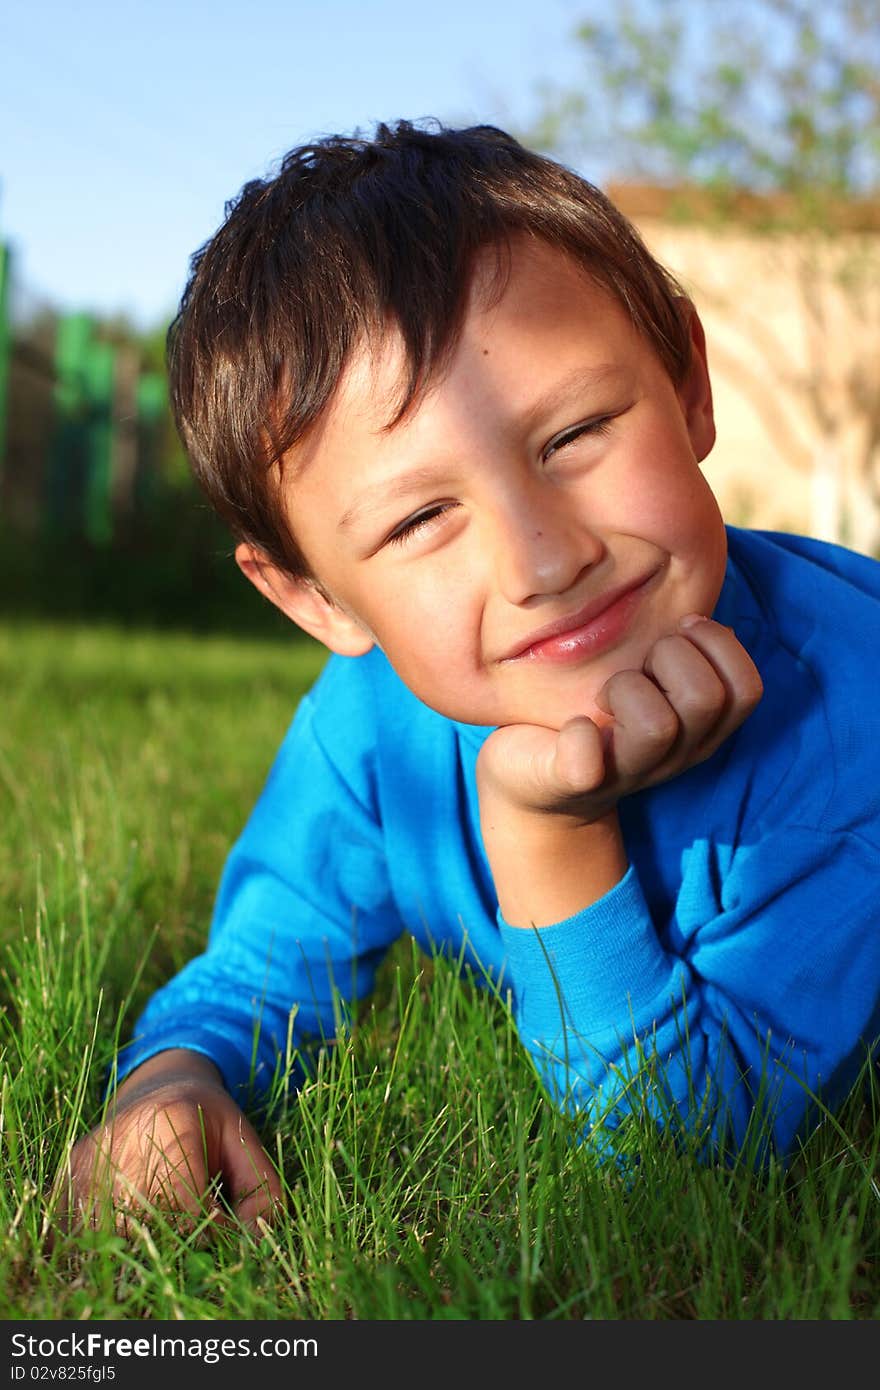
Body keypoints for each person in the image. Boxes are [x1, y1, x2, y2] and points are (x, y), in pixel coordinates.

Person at [61, 120, 880, 1230]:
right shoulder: (373, 729)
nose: (545, 560)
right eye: (420, 518)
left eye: (577, 432)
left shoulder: (844, 720)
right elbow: (259, 972)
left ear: (688, 382)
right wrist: (175, 1077)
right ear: (317, 597)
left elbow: (691, 1160)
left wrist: (548, 839)